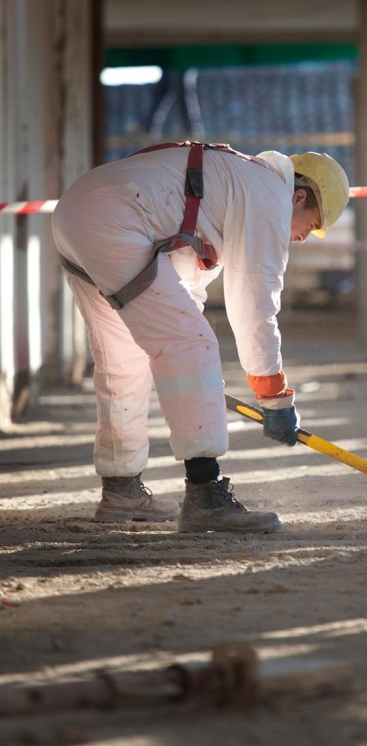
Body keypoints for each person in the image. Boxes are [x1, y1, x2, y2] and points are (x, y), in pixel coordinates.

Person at [52, 141, 350, 534]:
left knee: (124, 360)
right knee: (194, 345)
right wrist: (273, 393)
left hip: (77, 214)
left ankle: (121, 489)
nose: (302, 238)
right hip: (117, 220)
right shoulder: (268, 201)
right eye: (310, 225)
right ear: (297, 197)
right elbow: (255, 304)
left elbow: (184, 285)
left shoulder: (235, 182)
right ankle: (205, 495)